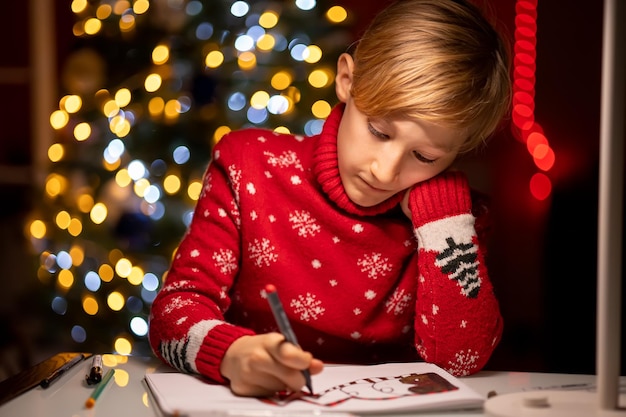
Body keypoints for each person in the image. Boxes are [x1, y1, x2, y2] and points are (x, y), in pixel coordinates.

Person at [148, 0, 511, 398]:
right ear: (347, 80)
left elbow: (460, 362)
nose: (385, 172)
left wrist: (444, 223)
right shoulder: (247, 167)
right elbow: (173, 312)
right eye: (379, 132)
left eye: (424, 157)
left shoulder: (455, 221)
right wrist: (229, 353)